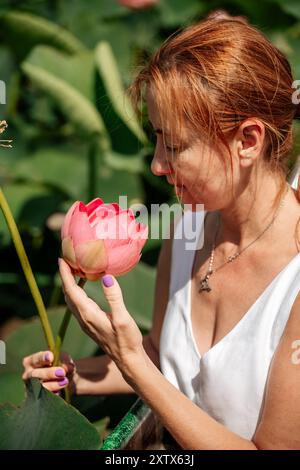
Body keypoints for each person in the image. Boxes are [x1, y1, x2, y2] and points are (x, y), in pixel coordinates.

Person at [22, 10, 300, 449]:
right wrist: (78, 376)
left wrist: (133, 363)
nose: (156, 164)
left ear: (248, 140)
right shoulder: (187, 230)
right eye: (156, 138)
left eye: (174, 146)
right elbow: (161, 358)